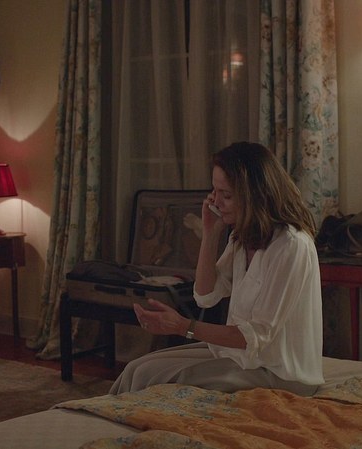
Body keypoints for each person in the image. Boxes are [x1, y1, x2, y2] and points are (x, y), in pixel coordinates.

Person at [110, 141, 324, 396]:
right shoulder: (243, 237)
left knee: (153, 378)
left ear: (255, 196)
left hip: (279, 373)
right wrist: (210, 233)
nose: (216, 202)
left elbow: (255, 335)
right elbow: (205, 295)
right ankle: (104, 416)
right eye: (215, 191)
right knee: (136, 368)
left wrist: (182, 326)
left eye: (227, 195)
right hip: (240, 357)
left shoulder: (291, 245)